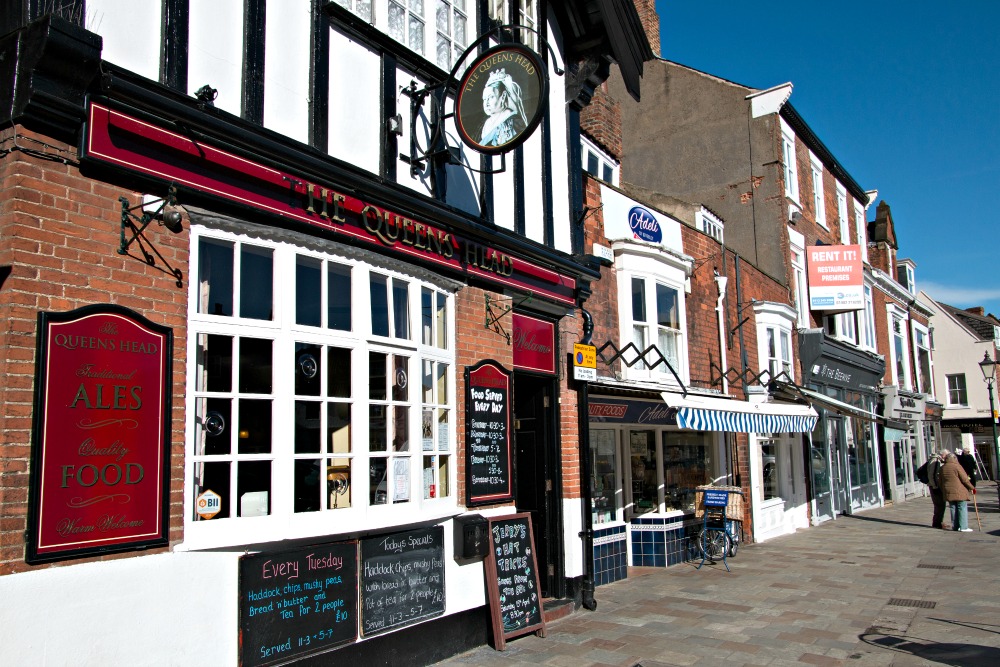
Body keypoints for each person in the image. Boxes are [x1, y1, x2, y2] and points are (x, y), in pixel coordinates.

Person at [478, 68, 528, 147]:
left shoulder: (514, 121)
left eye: (491, 97)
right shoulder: (485, 125)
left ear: (503, 96)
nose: (486, 103)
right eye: (484, 99)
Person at [939, 451, 976, 532]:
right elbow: (965, 479)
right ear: (954, 459)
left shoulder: (942, 468)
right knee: (961, 507)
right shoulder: (957, 466)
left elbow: (940, 481)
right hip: (959, 490)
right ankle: (963, 527)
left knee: (953, 508)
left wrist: (943, 490)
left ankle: (955, 526)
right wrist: (972, 487)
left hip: (948, 490)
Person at [926, 449, 949, 529]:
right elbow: (932, 475)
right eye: (946, 456)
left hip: (935, 485)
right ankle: (937, 523)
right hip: (934, 486)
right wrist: (935, 486)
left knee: (941, 505)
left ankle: (939, 522)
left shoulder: (937, 460)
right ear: (943, 455)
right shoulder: (935, 461)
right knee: (939, 505)